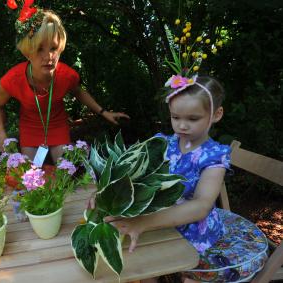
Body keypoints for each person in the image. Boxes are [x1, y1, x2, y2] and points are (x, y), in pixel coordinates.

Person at [88, 76, 268, 283]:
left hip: (193, 231)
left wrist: (144, 222)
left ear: (217, 114)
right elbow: (130, 173)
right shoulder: (163, 143)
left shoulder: (214, 156)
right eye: (175, 117)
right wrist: (105, 191)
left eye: (193, 119)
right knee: (133, 256)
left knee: (149, 258)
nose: (182, 126)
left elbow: (201, 205)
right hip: (158, 219)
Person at [0, 6, 129, 163]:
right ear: (27, 52)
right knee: (30, 174)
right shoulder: (13, 79)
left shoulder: (66, 75)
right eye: (40, 49)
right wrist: (1, 134)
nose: (49, 56)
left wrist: (104, 112)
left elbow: (78, 91)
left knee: (66, 169)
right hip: (30, 128)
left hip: (58, 126)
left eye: (54, 48)